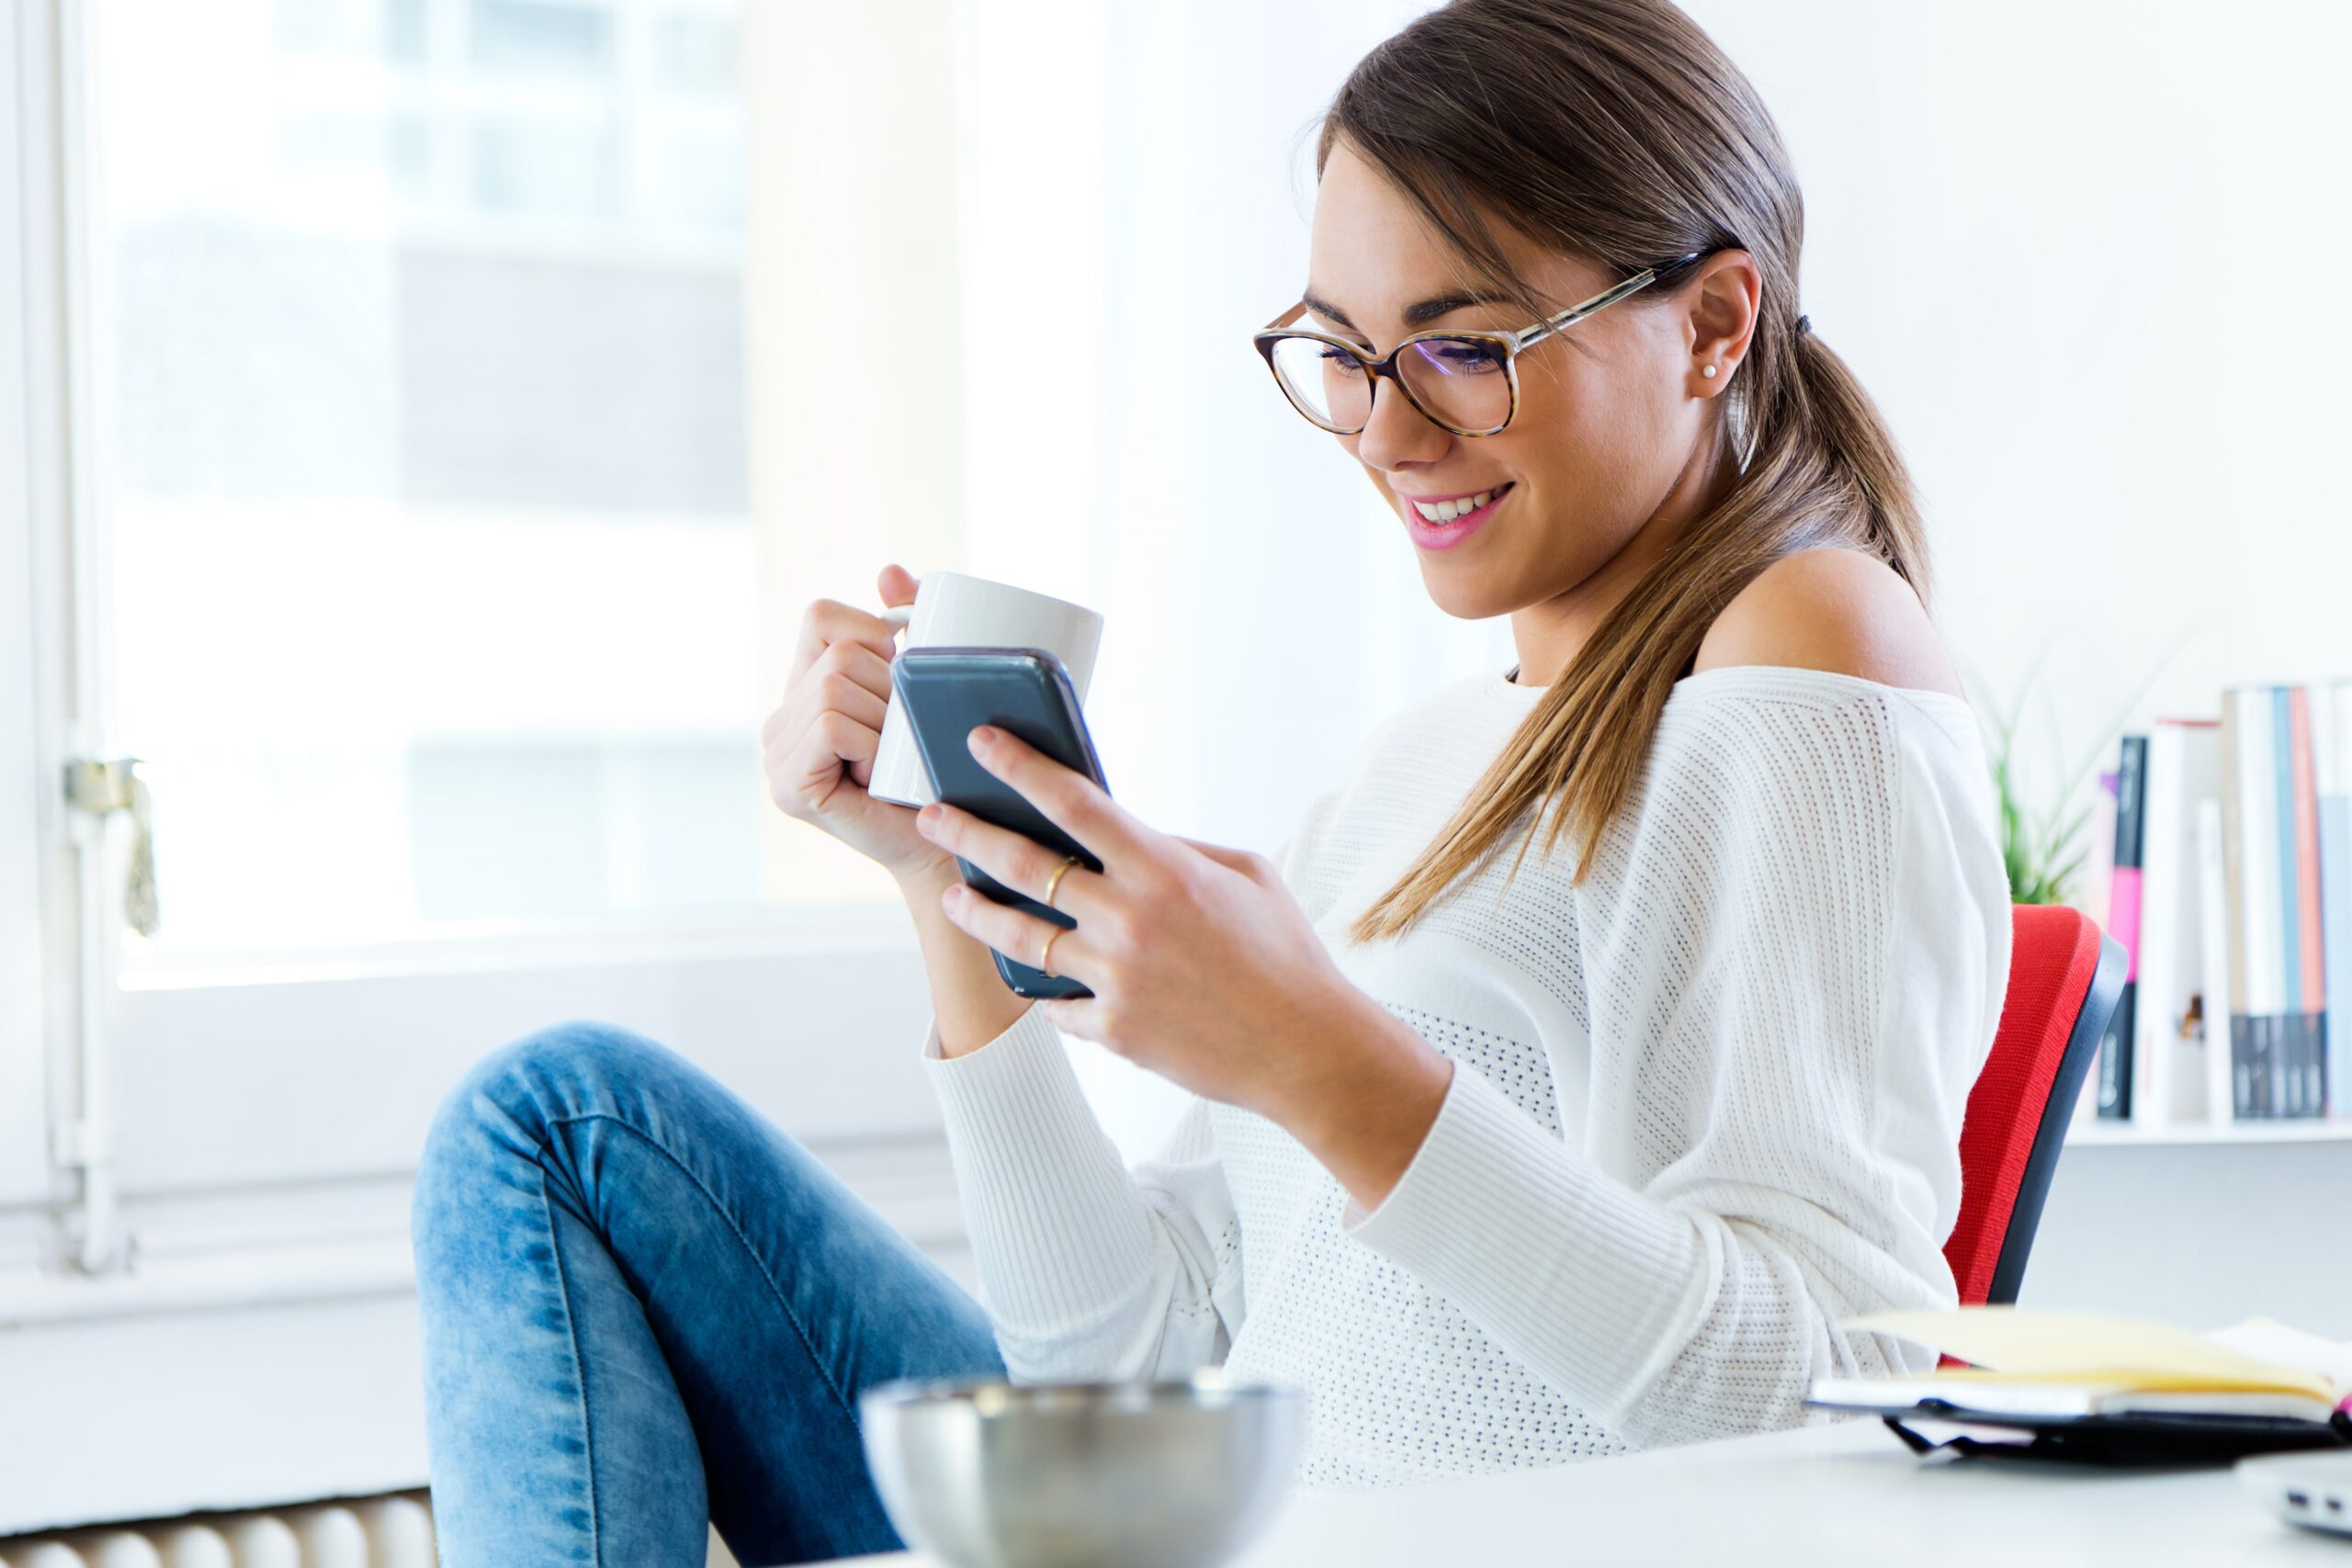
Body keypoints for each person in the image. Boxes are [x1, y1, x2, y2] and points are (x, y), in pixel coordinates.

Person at [409, 0, 2013, 1561]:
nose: (1385, 432)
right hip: (1203, 1526)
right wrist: (944, 880)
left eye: (1460, 347)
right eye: (1341, 353)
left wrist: (1320, 1058)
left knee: (553, 1115)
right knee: (553, 1120)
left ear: (1716, 323)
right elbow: (1120, 1367)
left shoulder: (1810, 640)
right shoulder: (1419, 764)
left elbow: (1831, 1389)